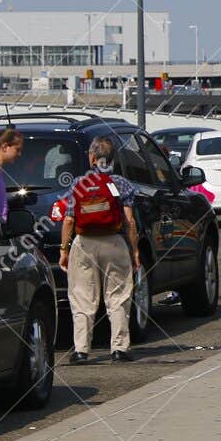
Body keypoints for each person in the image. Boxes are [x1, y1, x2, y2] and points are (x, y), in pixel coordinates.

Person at [57, 137, 143, 364]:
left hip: (84, 243)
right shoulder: (121, 184)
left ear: (93, 158)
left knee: (82, 297)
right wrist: (134, 250)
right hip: (114, 243)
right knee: (118, 297)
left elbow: (68, 221)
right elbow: (129, 221)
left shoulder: (78, 183)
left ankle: (81, 351)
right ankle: (119, 349)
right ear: (112, 158)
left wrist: (64, 250)